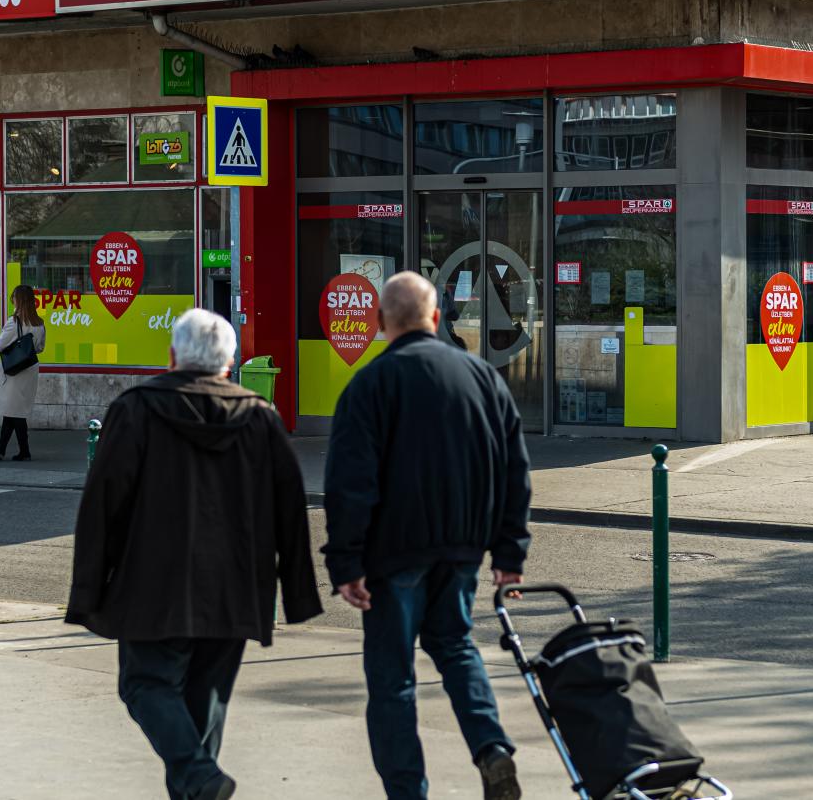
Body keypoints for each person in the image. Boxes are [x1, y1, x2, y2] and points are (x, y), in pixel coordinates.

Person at [67, 309, 321, 800]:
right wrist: (295, 591)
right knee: (205, 706)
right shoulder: (259, 415)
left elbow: (103, 505)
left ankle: (199, 775)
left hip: (153, 582)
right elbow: (291, 508)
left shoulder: (136, 409)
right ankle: (199, 777)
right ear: (229, 363)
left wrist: (91, 589)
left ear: (172, 356)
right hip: (236, 585)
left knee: (145, 685)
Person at [323, 271, 533, 800]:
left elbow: (350, 483)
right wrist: (509, 552)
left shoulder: (369, 385)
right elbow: (515, 470)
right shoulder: (483, 378)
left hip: (394, 556)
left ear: (378, 323)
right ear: (436, 319)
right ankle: (491, 748)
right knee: (457, 646)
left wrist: (346, 562)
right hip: (462, 548)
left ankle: (407, 790)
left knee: (393, 680)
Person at [0, 285, 46, 461]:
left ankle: (12, 450)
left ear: (18, 300)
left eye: (13, 299)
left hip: (13, 370)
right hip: (29, 369)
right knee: (14, 410)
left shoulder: (14, 321)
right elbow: (40, 348)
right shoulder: (39, 323)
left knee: (14, 411)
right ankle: (4, 449)